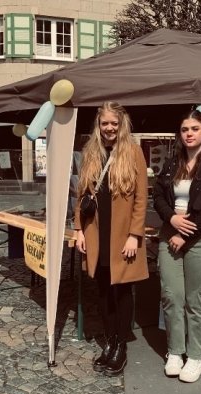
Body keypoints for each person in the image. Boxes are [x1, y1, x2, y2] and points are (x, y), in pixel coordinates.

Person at [152, 109, 201, 383]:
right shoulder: (173, 164)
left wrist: (185, 234)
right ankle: (175, 351)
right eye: (185, 129)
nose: (189, 134)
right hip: (170, 233)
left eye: (194, 128)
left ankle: (196, 357)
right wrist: (171, 219)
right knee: (172, 296)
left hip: (200, 238)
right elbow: (158, 195)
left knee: (196, 301)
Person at [74, 102, 149, 377]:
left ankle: (121, 346)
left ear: (122, 124)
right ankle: (110, 342)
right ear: (99, 124)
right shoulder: (90, 152)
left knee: (122, 290)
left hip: (122, 235)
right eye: (105, 123)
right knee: (104, 290)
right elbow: (81, 195)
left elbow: (141, 198)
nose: (109, 128)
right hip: (96, 232)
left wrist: (134, 235)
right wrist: (78, 229)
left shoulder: (132, 151)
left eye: (114, 124)